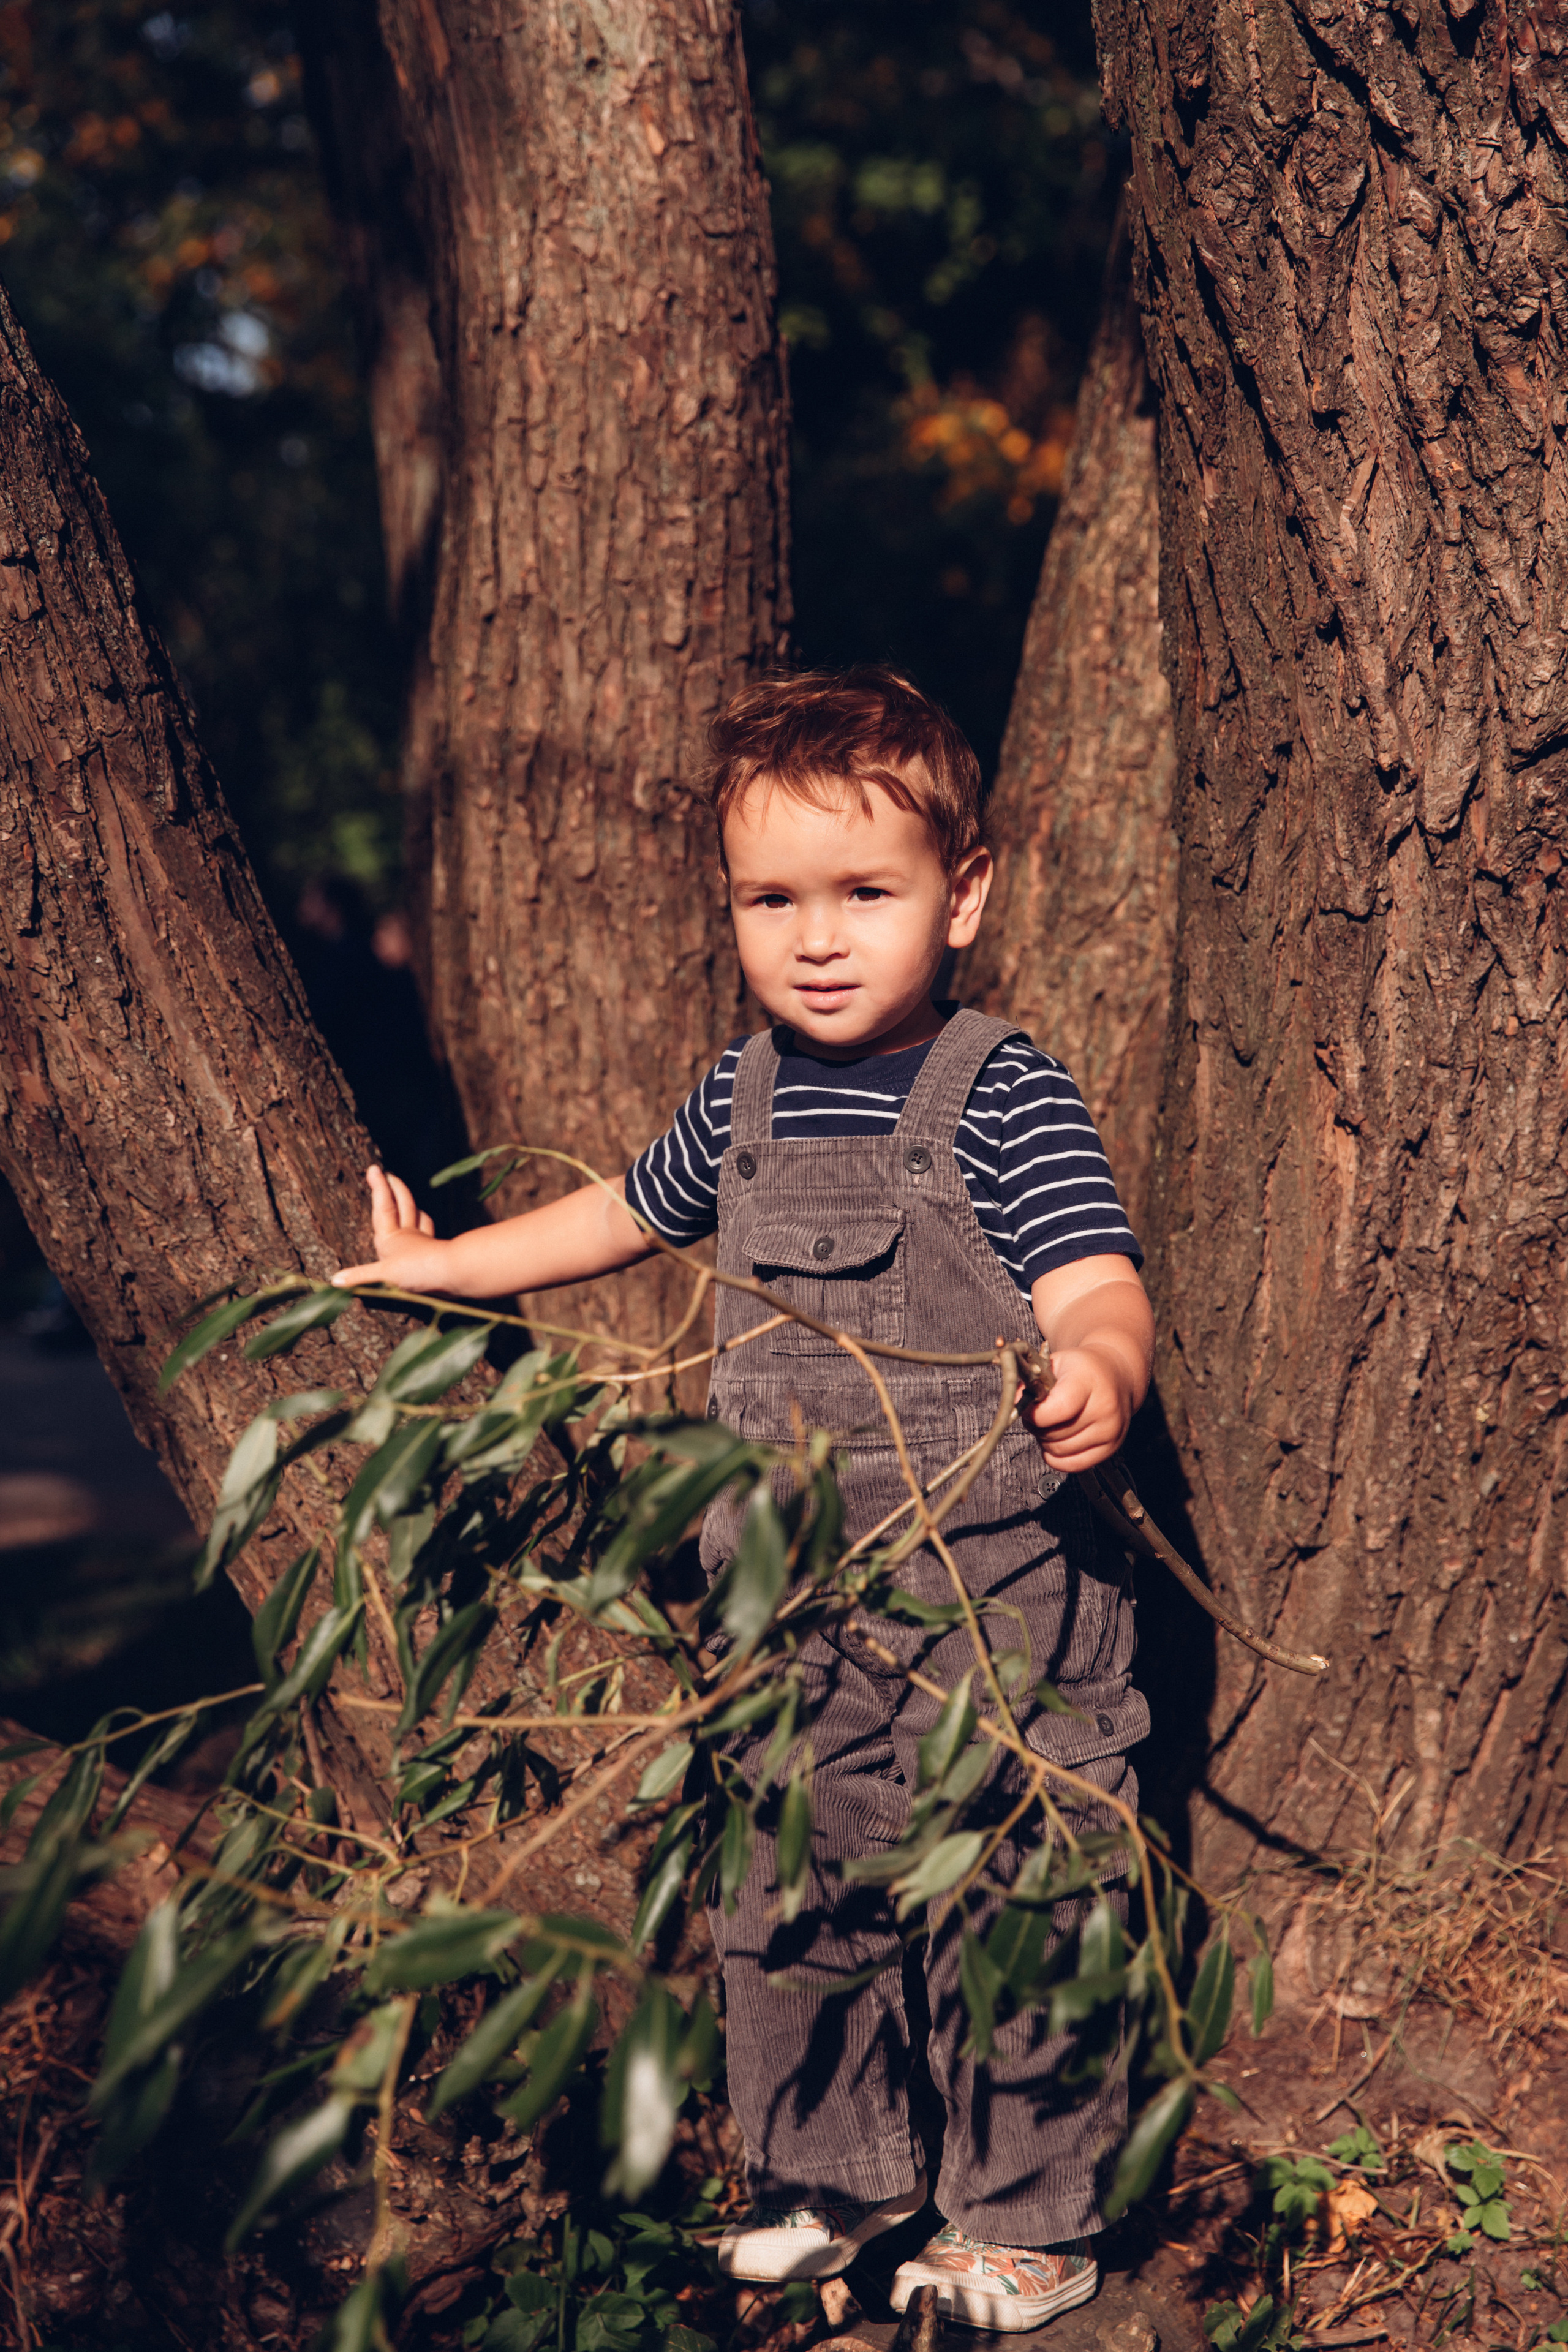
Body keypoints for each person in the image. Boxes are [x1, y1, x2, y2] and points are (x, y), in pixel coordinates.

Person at [333, 668, 1153, 2334]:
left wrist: (1103, 1365)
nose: (817, 939)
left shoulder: (1002, 1090)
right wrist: (454, 1268)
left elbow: (1095, 1272)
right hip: (789, 1608)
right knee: (787, 1893)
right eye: (772, 900)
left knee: (1014, 1889)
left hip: (993, 1606)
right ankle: (836, 2176)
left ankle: (1026, 2217)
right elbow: (618, 1218)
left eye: (866, 894)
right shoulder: (744, 1095)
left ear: (964, 896)